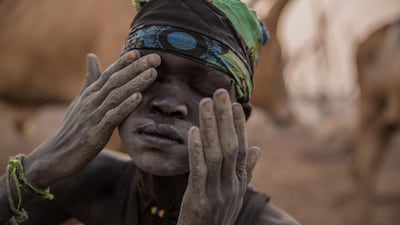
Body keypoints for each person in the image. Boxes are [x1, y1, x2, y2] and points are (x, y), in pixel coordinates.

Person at [0, 0, 300, 224]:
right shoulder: (83, 182)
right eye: (150, 74)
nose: (169, 103)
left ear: (238, 118)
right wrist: (39, 166)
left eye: (203, 87)